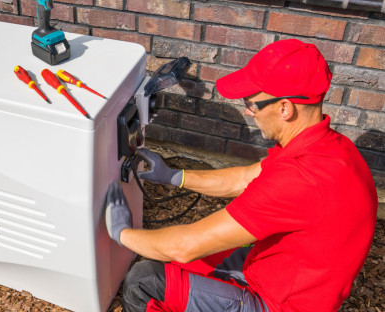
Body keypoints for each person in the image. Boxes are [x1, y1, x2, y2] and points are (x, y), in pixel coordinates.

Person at [104, 39, 378, 312]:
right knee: (192, 264)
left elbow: (184, 245)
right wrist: (176, 176)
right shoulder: (330, 148)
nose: (248, 111)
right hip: (289, 276)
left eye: (252, 103)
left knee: (144, 281)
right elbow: (244, 178)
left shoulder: (300, 178)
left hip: (278, 304)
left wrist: (122, 234)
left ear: (285, 108)